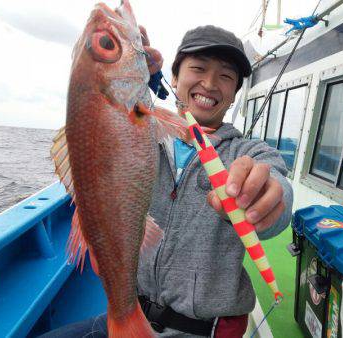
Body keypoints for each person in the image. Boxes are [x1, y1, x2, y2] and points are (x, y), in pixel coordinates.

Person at [39, 25, 293, 338]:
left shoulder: (250, 151)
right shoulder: (142, 130)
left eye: (226, 76)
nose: (210, 83)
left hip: (203, 331)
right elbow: (93, 129)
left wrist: (266, 198)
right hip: (131, 311)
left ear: (233, 96)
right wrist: (132, 69)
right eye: (198, 68)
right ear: (173, 79)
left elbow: (278, 193)